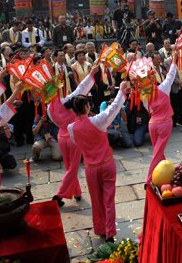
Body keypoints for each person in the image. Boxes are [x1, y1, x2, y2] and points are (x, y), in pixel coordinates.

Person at [68, 80, 131, 243]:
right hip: (107, 163)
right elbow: (115, 107)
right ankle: (110, 232)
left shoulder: (71, 128)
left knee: (96, 200)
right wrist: (122, 90)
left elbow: (77, 143)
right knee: (108, 199)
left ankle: (101, 229)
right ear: (87, 107)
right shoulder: (98, 121)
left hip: (90, 167)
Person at [49, 63, 98, 207]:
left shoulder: (50, 107)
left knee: (69, 166)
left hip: (61, 137)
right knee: (73, 168)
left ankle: (76, 192)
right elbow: (81, 88)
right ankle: (59, 195)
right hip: (72, 137)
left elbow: (55, 123)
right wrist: (92, 73)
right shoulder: (68, 101)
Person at [144, 52, 178, 184]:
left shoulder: (145, 96)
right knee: (157, 153)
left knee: (158, 151)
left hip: (152, 123)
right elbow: (171, 74)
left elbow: (149, 110)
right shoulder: (163, 88)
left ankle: (166, 172)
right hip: (165, 123)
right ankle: (148, 181)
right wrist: (174, 60)